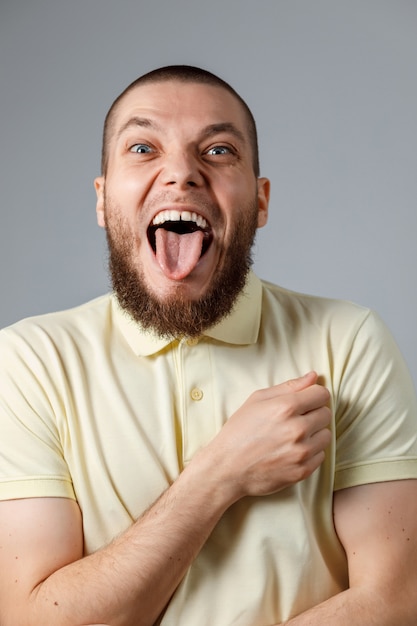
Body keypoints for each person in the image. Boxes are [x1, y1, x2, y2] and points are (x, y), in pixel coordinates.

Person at [0, 65, 417, 626]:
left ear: (261, 201)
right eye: (143, 147)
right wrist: (220, 473)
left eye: (218, 151)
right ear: (102, 200)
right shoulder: (29, 361)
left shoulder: (348, 341)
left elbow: (395, 599)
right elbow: (34, 618)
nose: (181, 174)